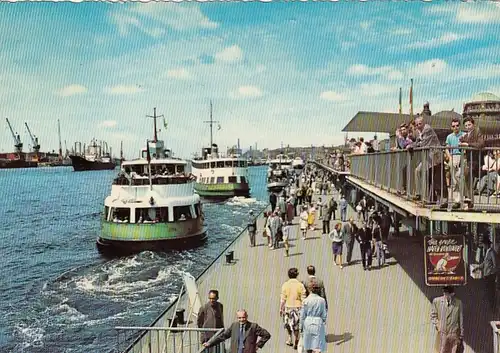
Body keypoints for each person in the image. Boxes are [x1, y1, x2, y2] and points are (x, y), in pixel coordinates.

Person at [203, 309, 271, 353]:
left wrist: (258, 345)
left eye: (243, 317)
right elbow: (223, 336)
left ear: (247, 316)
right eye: (239, 318)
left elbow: (266, 335)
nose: (242, 319)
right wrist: (210, 343)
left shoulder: (253, 326)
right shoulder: (234, 326)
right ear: (237, 318)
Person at [430, 286, 464, 353]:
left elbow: (461, 318)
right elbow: (433, 316)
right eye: (445, 293)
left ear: (452, 294)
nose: (446, 295)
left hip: (454, 333)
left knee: (454, 350)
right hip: (443, 333)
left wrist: (461, 334)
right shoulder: (437, 301)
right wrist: (438, 325)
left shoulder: (458, 303)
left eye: (448, 294)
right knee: (442, 350)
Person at [300, 279, 327, 353]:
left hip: (308, 321)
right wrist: (323, 322)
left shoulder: (305, 301)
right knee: (318, 345)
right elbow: (324, 315)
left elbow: (302, 316)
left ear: (309, 289)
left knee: (308, 345)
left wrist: (301, 328)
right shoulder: (322, 300)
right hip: (318, 322)